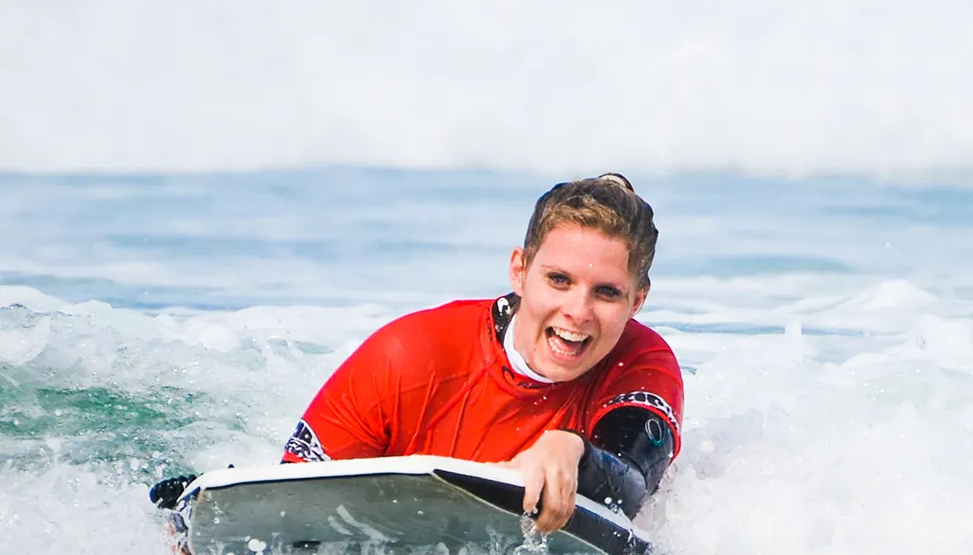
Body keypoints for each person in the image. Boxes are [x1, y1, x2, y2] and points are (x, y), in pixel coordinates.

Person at [151, 174, 684, 536]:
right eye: (559, 280)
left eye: (607, 293)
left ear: (638, 300)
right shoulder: (411, 356)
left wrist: (574, 451)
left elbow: (632, 486)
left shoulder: (641, 365)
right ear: (519, 270)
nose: (578, 311)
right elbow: (293, 509)